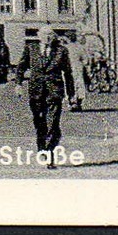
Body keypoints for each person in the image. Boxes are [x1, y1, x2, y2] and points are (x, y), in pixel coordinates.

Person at [26, 28, 76, 168]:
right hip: (36, 92)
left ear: (53, 37)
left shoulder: (62, 51)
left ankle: (49, 155)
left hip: (54, 92)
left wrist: (71, 94)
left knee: (53, 123)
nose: (47, 38)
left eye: (49, 36)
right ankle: (42, 147)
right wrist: (18, 84)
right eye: (44, 35)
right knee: (39, 123)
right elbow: (21, 67)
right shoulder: (31, 48)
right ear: (39, 36)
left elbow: (68, 73)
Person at [62, 31, 87, 110]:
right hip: (78, 68)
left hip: (68, 68)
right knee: (79, 84)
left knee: (69, 84)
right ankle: (78, 102)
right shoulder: (80, 47)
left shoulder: (65, 48)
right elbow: (85, 60)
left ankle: (72, 102)